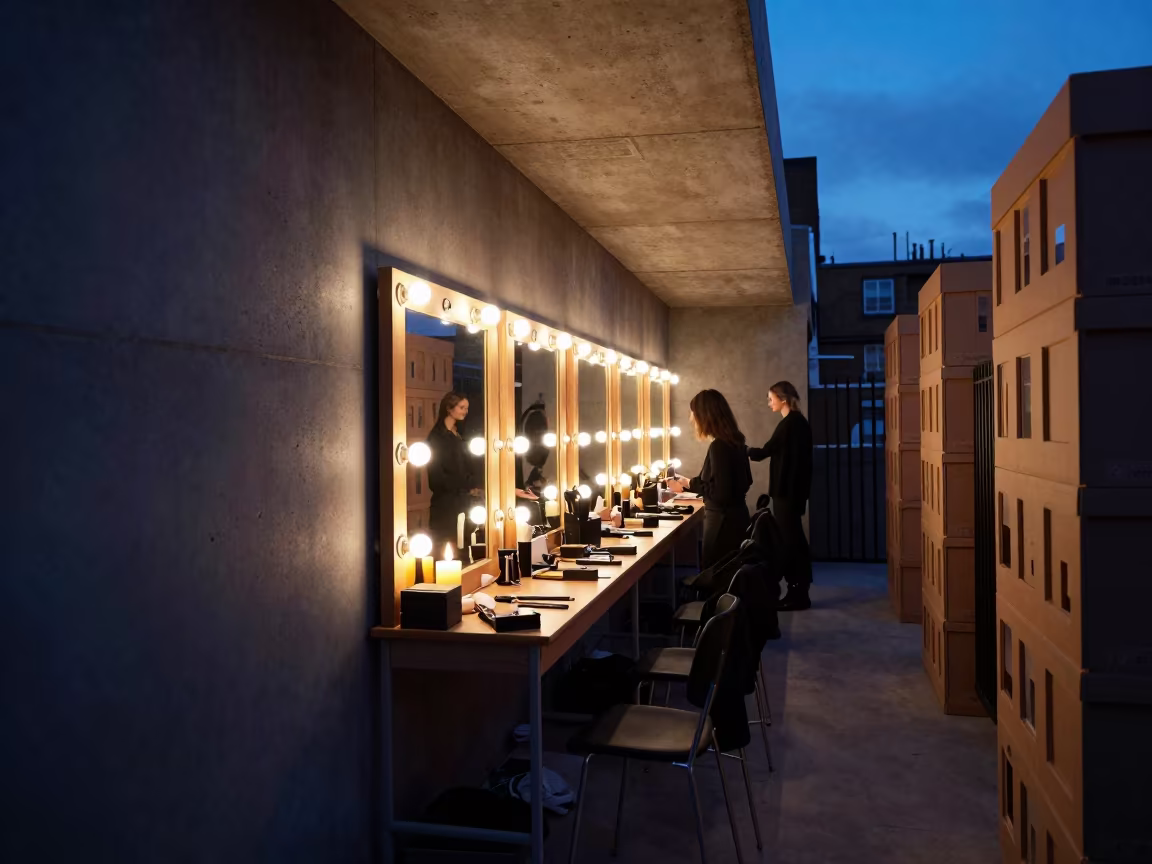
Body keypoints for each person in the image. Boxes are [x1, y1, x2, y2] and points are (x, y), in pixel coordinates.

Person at [666, 390, 753, 568]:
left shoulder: (719, 446)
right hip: (737, 519)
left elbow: (721, 492)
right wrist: (689, 483)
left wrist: (688, 485)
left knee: (715, 573)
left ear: (705, 415)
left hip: (722, 524)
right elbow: (742, 481)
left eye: (693, 413)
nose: (692, 419)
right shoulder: (736, 440)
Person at [748, 381, 813, 610]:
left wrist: (741, 449)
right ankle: (798, 589)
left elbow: (766, 451)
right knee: (793, 539)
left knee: (791, 540)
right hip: (792, 492)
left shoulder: (791, 423)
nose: (769, 403)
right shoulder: (797, 423)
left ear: (782, 399)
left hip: (787, 492)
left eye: (771, 398)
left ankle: (798, 592)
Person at [426, 392, 482, 557]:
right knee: (447, 547)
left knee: (465, 546)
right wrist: (467, 485)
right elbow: (436, 477)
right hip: (446, 504)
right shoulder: (437, 438)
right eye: (461, 407)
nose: (465, 411)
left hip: (462, 500)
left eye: (467, 408)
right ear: (449, 409)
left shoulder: (459, 434)